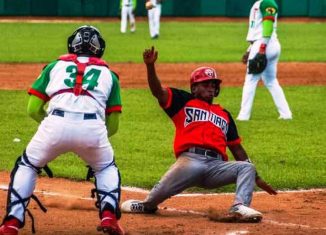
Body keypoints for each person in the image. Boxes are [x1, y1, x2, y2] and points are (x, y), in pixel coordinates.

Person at [121, 46, 277, 222]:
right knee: (152, 202)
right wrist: (150, 66)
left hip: (216, 167)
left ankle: (239, 207)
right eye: (206, 84)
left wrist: (255, 177)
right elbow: (158, 91)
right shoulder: (183, 101)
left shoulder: (224, 115)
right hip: (189, 162)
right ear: (194, 88)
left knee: (247, 167)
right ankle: (147, 204)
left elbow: (237, 149)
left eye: (213, 84)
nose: (211, 87)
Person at [0, 25, 124, 235]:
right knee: (105, 168)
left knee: (28, 165)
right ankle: (109, 217)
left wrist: (51, 130)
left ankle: (11, 223)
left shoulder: (54, 66)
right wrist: (94, 144)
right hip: (93, 128)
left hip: (54, 124)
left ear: (72, 45)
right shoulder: (110, 75)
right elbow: (113, 124)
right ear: (99, 48)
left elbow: (33, 109)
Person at [237, 0, 292, 121]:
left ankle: (243, 116)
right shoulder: (261, 2)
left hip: (264, 44)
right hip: (268, 44)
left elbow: (268, 24)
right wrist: (250, 49)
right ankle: (286, 114)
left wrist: (262, 48)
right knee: (271, 80)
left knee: (250, 80)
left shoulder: (267, 2)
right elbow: (259, 29)